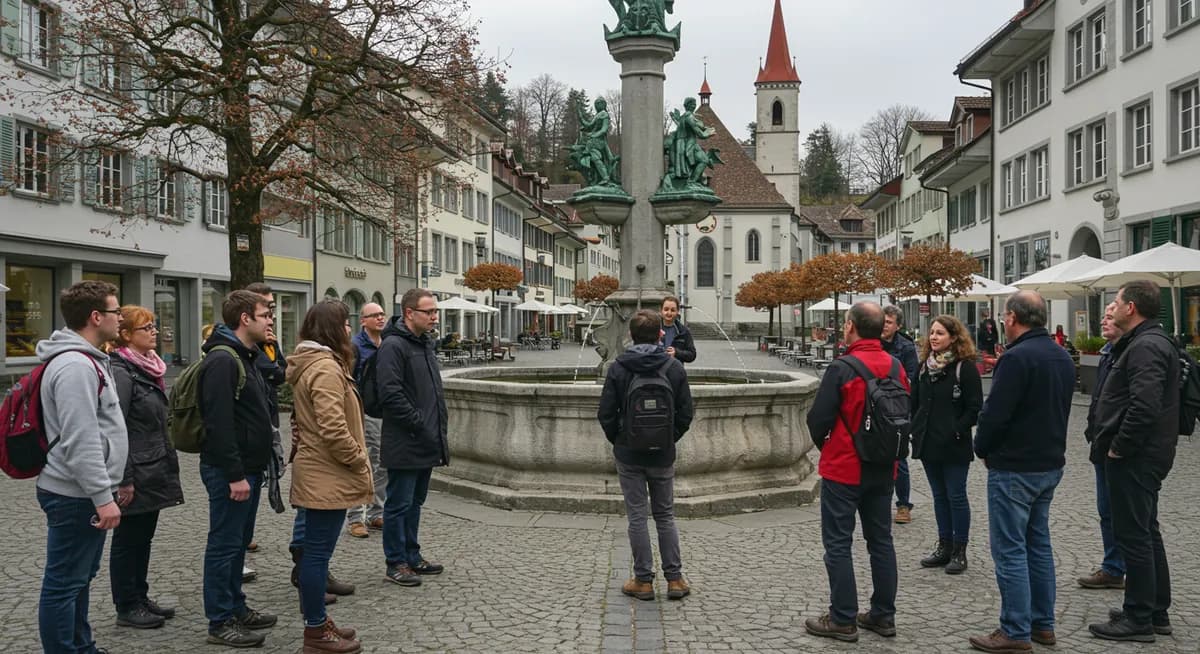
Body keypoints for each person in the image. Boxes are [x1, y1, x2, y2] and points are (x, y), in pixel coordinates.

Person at [969, 291, 1075, 653]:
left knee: (1011, 549)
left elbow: (995, 414)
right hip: (1049, 463)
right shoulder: (1061, 355)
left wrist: (981, 447)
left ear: (1012, 317)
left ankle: (1014, 629)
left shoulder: (1015, 359)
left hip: (1015, 466)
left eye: (1004, 315)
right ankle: (1042, 624)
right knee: (1038, 544)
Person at [35, 280, 129, 654]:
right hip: (73, 493)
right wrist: (101, 496)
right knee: (63, 582)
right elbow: (81, 438)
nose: (120, 317)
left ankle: (81, 647)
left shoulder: (89, 358)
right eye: (115, 311)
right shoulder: (75, 366)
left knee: (78, 579)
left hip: (82, 491)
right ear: (96, 317)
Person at [804, 302, 905, 643]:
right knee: (881, 541)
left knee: (838, 543)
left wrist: (829, 445)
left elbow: (818, 419)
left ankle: (843, 618)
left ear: (850, 327)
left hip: (845, 467)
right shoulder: (895, 365)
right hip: (883, 466)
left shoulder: (842, 368)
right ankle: (883, 615)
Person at [1088, 281, 1179, 642]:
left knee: (1134, 534)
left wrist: (1119, 447)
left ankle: (1139, 617)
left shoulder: (1146, 346)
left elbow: (1144, 405)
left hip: (1137, 457)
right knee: (1145, 530)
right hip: (1145, 454)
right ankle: (1155, 609)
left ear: (1131, 308)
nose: (1111, 307)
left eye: (1116, 302)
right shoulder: (1147, 341)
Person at [286, 300, 373, 653]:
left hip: (321, 468)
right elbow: (332, 426)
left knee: (315, 551)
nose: (350, 329)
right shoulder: (324, 367)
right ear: (332, 329)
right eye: (345, 324)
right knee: (317, 555)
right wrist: (357, 459)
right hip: (326, 471)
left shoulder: (316, 363)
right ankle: (315, 632)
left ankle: (319, 622)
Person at [598, 309, 695, 601]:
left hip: (629, 453)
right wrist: (667, 438)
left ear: (630, 336)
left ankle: (643, 581)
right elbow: (686, 414)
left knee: (637, 516)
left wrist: (621, 439)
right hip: (663, 454)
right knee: (665, 514)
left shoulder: (618, 367)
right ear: (660, 334)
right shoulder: (673, 367)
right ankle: (675, 579)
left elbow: (605, 414)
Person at [199, 290, 278, 648]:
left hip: (248, 467)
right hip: (231, 471)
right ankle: (220, 620)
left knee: (236, 546)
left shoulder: (247, 355)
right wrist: (233, 474)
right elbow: (218, 423)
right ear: (245, 319)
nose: (271, 320)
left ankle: (236, 606)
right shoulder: (222, 359)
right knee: (224, 545)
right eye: (265, 314)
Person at [108, 305, 185, 629]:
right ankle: (127, 604)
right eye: (146, 328)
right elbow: (117, 427)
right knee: (128, 539)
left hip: (151, 465)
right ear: (126, 335)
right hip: (135, 469)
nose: (154, 331)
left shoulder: (149, 367)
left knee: (143, 537)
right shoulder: (122, 371)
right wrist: (124, 479)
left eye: (154, 326)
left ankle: (140, 595)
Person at [376, 289, 449, 587]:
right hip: (407, 438)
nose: (434, 317)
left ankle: (412, 554)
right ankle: (396, 562)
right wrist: (418, 423)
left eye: (435, 312)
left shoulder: (424, 343)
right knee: (399, 503)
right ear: (409, 313)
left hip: (426, 438)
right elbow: (390, 393)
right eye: (428, 312)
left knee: (415, 502)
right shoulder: (394, 345)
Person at [911, 315, 983, 576]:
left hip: (953, 445)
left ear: (954, 337)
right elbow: (915, 403)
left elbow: (975, 407)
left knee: (956, 496)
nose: (933, 337)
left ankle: (959, 551)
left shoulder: (965, 368)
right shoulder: (923, 367)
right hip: (929, 443)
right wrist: (914, 428)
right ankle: (944, 546)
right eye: (932, 332)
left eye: (940, 333)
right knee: (939, 497)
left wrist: (957, 429)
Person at [1078, 302, 1126, 591]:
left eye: (1110, 316)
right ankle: (1113, 566)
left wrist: (1118, 444)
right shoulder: (1108, 354)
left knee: (1124, 514)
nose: (1104, 322)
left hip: (1117, 447)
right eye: (1104, 316)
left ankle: (1123, 569)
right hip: (1101, 443)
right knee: (1106, 510)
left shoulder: (1130, 353)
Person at [347, 302, 389, 539]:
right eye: (374, 315)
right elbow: (349, 381)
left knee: (382, 462)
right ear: (363, 320)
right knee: (362, 462)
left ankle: (376, 512)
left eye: (382, 314)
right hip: (363, 411)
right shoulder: (355, 347)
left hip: (384, 412)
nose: (380, 318)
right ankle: (355, 517)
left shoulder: (387, 345)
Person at [881, 305, 918, 525]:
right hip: (874, 408)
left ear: (898, 325)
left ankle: (903, 504)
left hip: (897, 409)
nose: (884, 326)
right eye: (882, 321)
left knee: (899, 457)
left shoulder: (905, 347)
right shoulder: (872, 343)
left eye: (889, 322)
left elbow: (912, 379)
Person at [659, 296, 696, 363]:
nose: (669, 313)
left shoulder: (683, 331)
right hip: (656, 369)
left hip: (675, 370)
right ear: (661, 310)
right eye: (666, 309)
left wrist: (677, 353)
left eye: (673, 310)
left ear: (677, 311)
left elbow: (692, 355)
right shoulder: (653, 328)